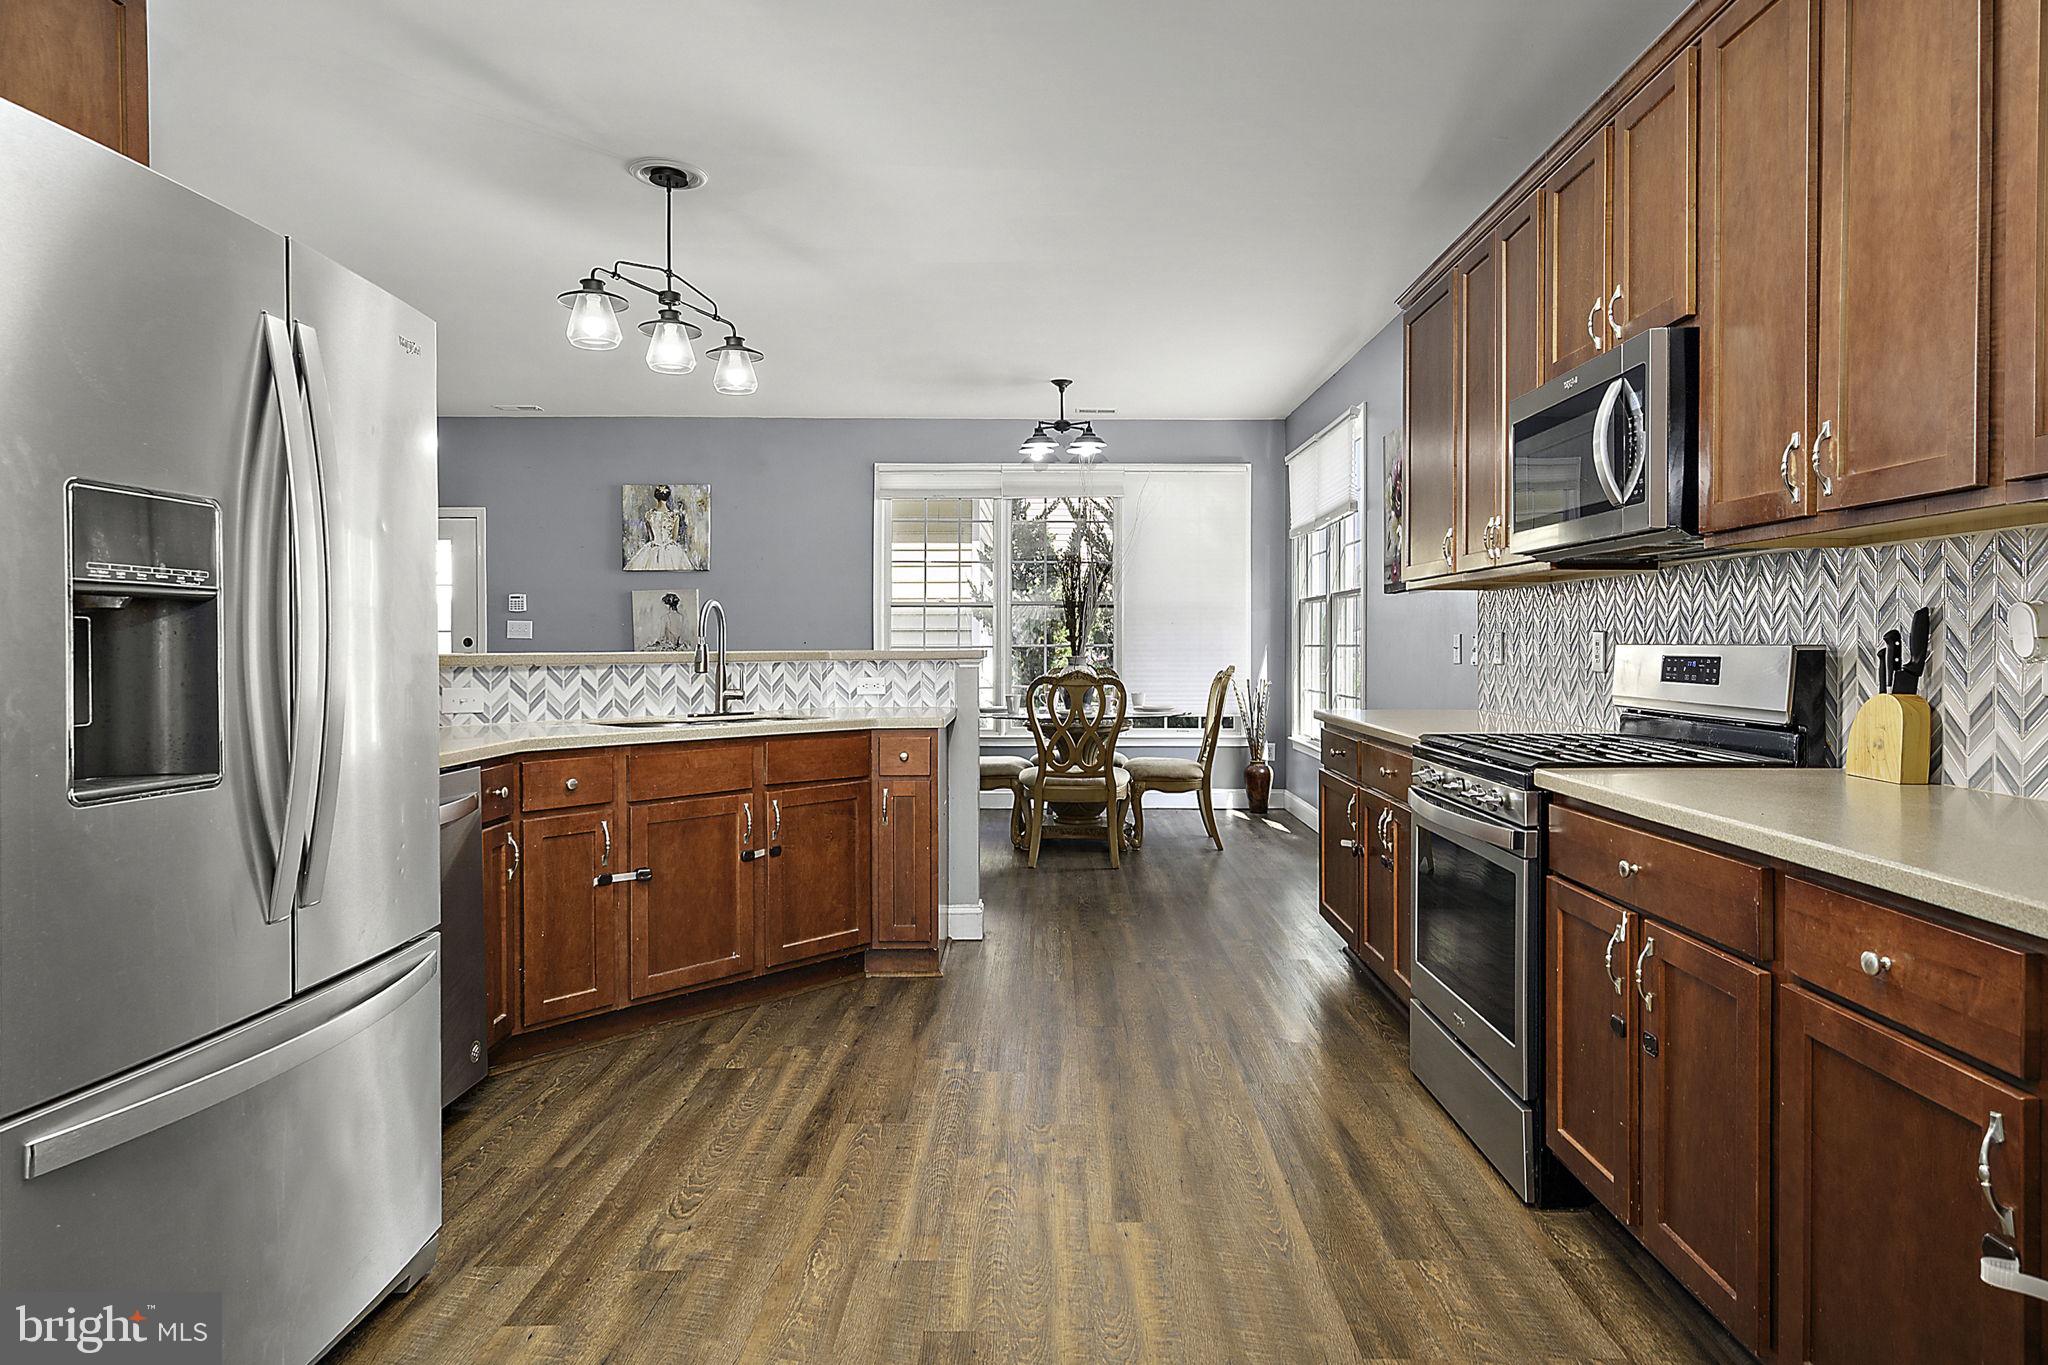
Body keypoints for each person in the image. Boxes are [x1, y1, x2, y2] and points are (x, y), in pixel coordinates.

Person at [627, 484, 698, 570]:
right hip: (670, 549)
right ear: (668, 497)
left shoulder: (649, 515)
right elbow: (674, 537)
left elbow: (651, 537)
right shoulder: (674, 516)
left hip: (653, 549)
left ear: (656, 497)